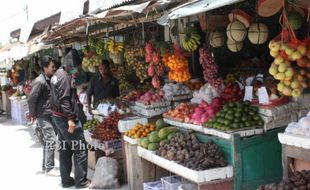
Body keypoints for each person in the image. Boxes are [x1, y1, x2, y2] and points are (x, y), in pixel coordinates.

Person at [50, 49, 89, 188]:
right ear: (71, 65)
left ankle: (66, 181)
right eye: (76, 67)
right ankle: (81, 181)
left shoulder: (59, 74)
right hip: (65, 119)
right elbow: (65, 100)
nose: (77, 70)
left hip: (57, 117)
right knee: (80, 149)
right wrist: (71, 119)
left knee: (65, 149)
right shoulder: (64, 76)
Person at [27, 55, 59, 176]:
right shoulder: (40, 81)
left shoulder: (50, 78)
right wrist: (32, 114)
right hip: (43, 115)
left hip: (50, 114)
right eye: (52, 66)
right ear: (45, 68)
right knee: (51, 139)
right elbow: (31, 99)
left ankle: (45, 166)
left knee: (47, 141)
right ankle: (50, 168)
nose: (54, 68)